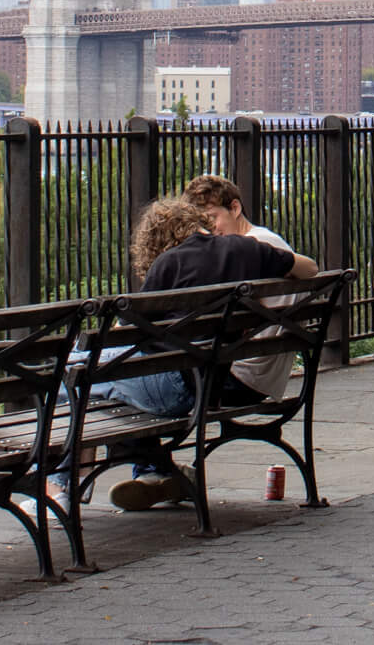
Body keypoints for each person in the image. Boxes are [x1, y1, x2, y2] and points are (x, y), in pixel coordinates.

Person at [93, 196, 318, 511]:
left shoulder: (169, 264)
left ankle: (136, 472)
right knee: (106, 380)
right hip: (216, 379)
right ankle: (156, 472)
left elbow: (123, 334)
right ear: (206, 224)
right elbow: (310, 268)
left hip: (187, 388)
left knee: (86, 376)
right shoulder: (247, 249)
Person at [182, 174, 299, 404]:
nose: (211, 230)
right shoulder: (270, 243)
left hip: (236, 377)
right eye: (203, 224)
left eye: (213, 217)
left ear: (234, 208)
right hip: (261, 375)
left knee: (139, 383)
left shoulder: (249, 249)